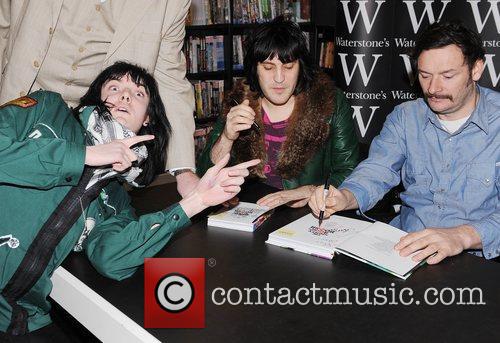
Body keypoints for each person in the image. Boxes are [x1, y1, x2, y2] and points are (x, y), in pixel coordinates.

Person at [0, 62, 259, 337]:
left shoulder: (115, 200)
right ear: (96, 98)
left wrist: (197, 201)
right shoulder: (47, 108)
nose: (125, 96)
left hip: (18, 318)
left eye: (138, 94)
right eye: (114, 87)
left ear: (147, 118)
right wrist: (86, 155)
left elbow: (111, 260)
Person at [309, 21, 500, 265]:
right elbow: (377, 169)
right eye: (424, 75)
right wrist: (345, 196)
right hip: (403, 248)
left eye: (447, 76)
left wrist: (462, 236)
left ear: (476, 70)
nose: (433, 88)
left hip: (475, 260)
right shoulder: (406, 117)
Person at [0, 0, 199, 197]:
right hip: (23, 106)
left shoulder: (172, 3)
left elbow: (170, 79)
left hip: (95, 133)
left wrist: (184, 173)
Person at [197, 17, 360, 209]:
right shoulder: (240, 100)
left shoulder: (330, 102)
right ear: (254, 69)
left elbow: (350, 172)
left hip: (309, 212)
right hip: (250, 207)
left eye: (289, 67)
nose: (279, 78)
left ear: (301, 67)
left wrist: (310, 190)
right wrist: (226, 137)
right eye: (268, 67)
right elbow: (204, 174)